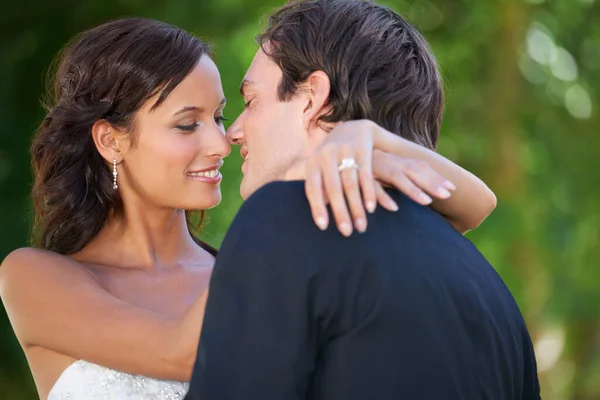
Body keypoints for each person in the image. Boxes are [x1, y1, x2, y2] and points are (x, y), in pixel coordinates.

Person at [0, 15, 496, 400]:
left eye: (219, 116)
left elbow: (476, 207)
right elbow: (183, 351)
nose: (222, 141)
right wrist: (299, 177)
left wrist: (367, 137)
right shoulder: (34, 277)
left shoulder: (244, 263)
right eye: (187, 123)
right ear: (111, 140)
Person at [185, 1, 540, 399]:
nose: (233, 133)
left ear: (312, 98)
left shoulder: (280, 220)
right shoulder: (491, 290)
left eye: (251, 102)